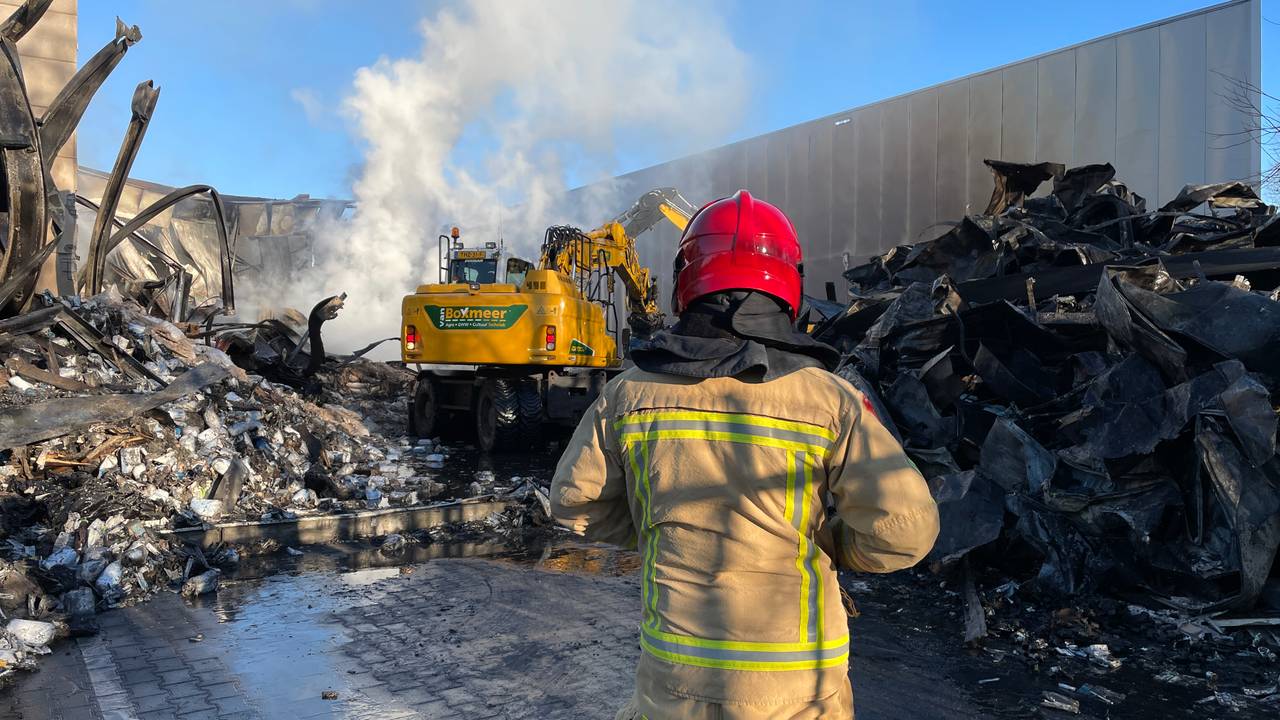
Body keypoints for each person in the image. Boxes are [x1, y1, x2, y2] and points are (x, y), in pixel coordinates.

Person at [551, 190, 939, 720]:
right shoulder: (830, 399)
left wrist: (664, 527)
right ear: (789, 281)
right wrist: (828, 543)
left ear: (686, 280)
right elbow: (904, 532)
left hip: (675, 683)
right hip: (800, 690)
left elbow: (575, 503)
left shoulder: (627, 395)